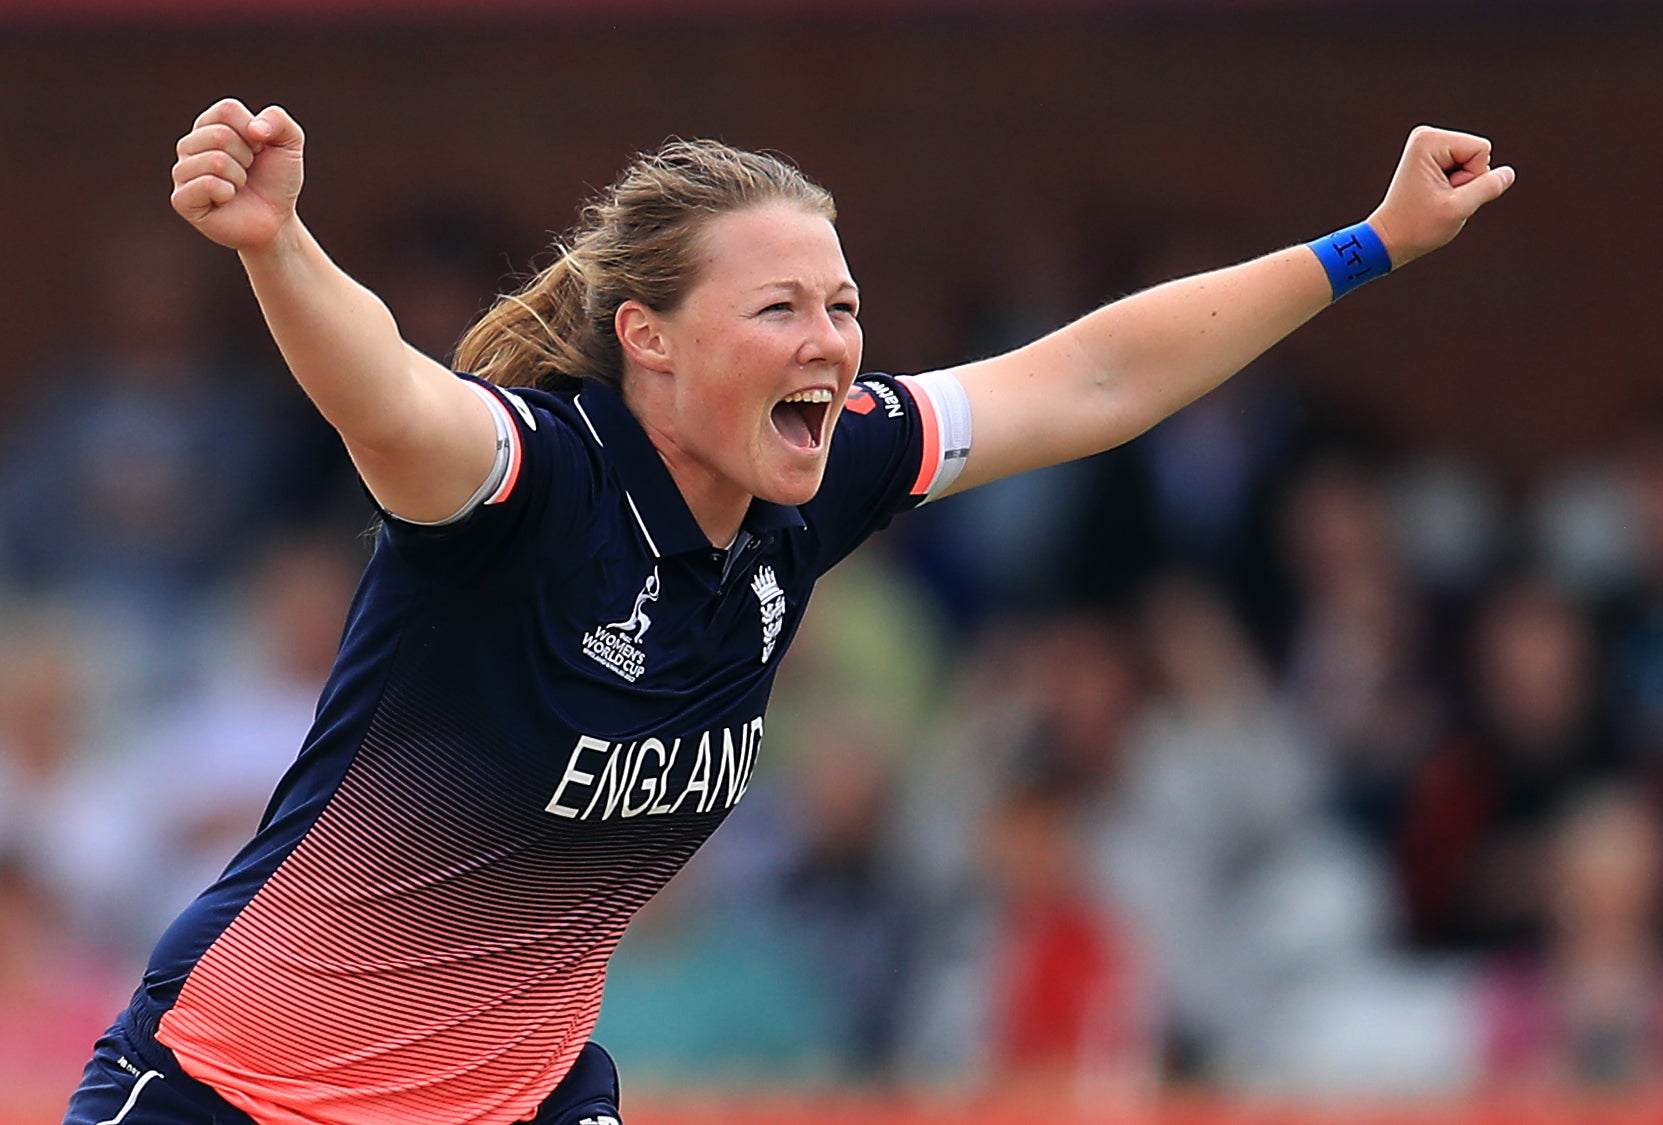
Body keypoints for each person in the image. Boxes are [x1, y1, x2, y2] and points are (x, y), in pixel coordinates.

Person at [63, 97, 1513, 1125]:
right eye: (780, 311)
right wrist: (276, 245)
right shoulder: (533, 484)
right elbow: (383, 388)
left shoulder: (814, 478)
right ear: (648, 339)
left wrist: (1367, 244)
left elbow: (1089, 379)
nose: (831, 341)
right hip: (228, 1091)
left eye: (844, 302)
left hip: (517, 1100)